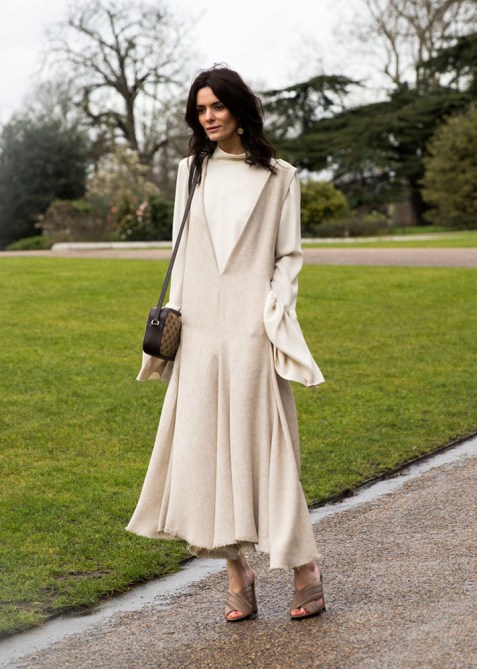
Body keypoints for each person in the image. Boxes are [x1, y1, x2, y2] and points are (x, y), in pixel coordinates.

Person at [126, 66, 326, 621]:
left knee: (266, 444)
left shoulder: (281, 176)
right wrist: (174, 327)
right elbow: (181, 250)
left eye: (216, 106)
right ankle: (237, 571)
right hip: (199, 326)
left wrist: (274, 309)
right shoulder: (190, 170)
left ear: (239, 109)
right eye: (200, 109)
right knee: (204, 449)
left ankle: (305, 568)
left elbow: (289, 255)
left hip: (250, 323)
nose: (208, 117)